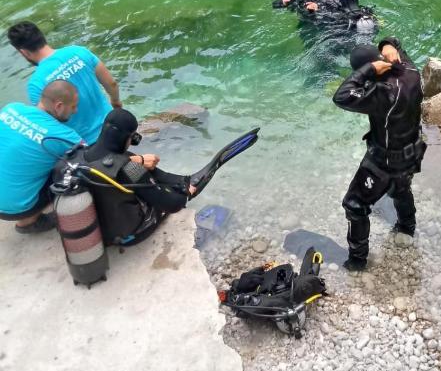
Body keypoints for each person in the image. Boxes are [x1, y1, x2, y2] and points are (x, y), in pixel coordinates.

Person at [55, 109, 258, 246]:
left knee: (137, 166)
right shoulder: (129, 168)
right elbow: (172, 205)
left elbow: (121, 162)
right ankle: (185, 184)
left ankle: (182, 180)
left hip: (94, 230)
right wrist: (183, 195)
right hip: (127, 236)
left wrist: (140, 161)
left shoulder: (77, 156)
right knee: (174, 196)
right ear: (129, 138)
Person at [332, 37, 426, 271]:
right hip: (412, 152)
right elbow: (395, 41)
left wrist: (367, 71)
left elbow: (342, 96)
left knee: (354, 205)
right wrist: (388, 46)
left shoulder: (383, 94)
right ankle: (406, 227)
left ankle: (357, 261)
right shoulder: (410, 70)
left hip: (384, 161)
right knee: (400, 188)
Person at [7, 21, 121, 145]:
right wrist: (115, 101)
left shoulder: (36, 84)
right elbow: (111, 83)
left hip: (88, 144)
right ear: (42, 37)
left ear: (24, 52)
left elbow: (50, 125)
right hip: (114, 125)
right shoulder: (79, 51)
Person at [0, 80, 81, 233]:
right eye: (73, 106)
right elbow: (92, 159)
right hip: (15, 209)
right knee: (71, 167)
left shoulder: (10, 109)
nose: (75, 111)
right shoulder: (65, 136)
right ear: (59, 106)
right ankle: (28, 222)